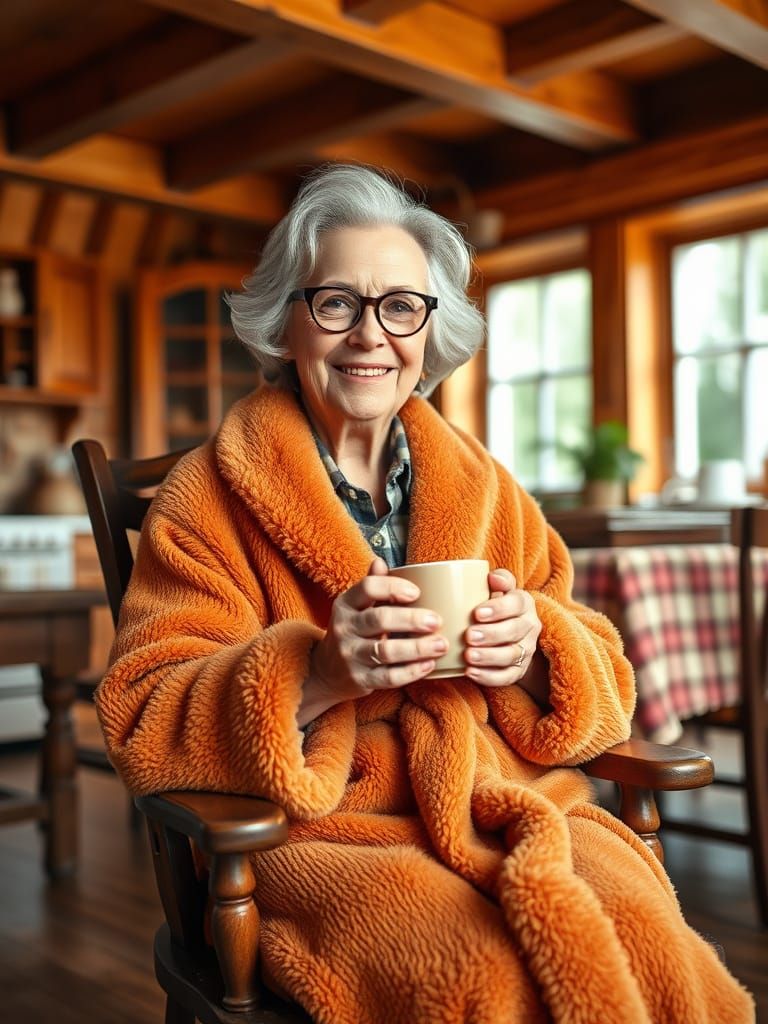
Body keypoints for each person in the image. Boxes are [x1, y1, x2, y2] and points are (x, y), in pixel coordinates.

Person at [97, 164, 753, 1024]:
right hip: (329, 835)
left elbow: (604, 673)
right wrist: (319, 674)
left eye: (400, 307)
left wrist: (536, 648)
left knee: (649, 939)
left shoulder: (486, 485)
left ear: (428, 333)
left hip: (503, 800)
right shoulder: (207, 497)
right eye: (336, 302)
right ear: (285, 321)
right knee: (476, 979)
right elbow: (143, 709)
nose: (370, 335)